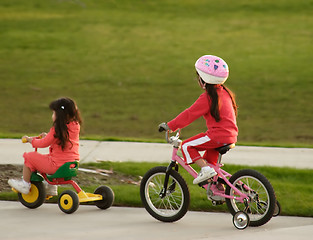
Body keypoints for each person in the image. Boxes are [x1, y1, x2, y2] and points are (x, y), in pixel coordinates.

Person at [159, 55, 238, 185]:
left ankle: (205, 170)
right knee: (209, 163)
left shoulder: (208, 97)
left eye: (198, 77)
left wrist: (170, 126)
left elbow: (189, 114)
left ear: (204, 80)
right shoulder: (224, 92)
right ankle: (217, 189)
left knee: (186, 146)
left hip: (218, 136)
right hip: (230, 135)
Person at [8, 97, 82, 195]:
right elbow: (59, 139)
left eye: (54, 113)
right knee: (47, 158)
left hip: (56, 166)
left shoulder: (56, 129)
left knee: (29, 157)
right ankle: (51, 188)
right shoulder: (75, 126)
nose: (52, 115)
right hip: (71, 164)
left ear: (60, 115)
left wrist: (31, 140)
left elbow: (43, 143)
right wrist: (47, 137)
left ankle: (25, 184)